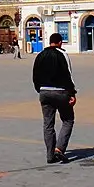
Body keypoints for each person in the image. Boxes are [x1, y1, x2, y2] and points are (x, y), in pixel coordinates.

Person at [33, 33, 77, 164]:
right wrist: (72, 93)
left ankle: (50, 155)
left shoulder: (40, 55)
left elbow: (35, 76)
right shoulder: (62, 54)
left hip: (44, 92)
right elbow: (68, 74)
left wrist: (40, 90)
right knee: (68, 120)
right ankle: (59, 149)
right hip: (61, 92)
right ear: (60, 43)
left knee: (48, 124)